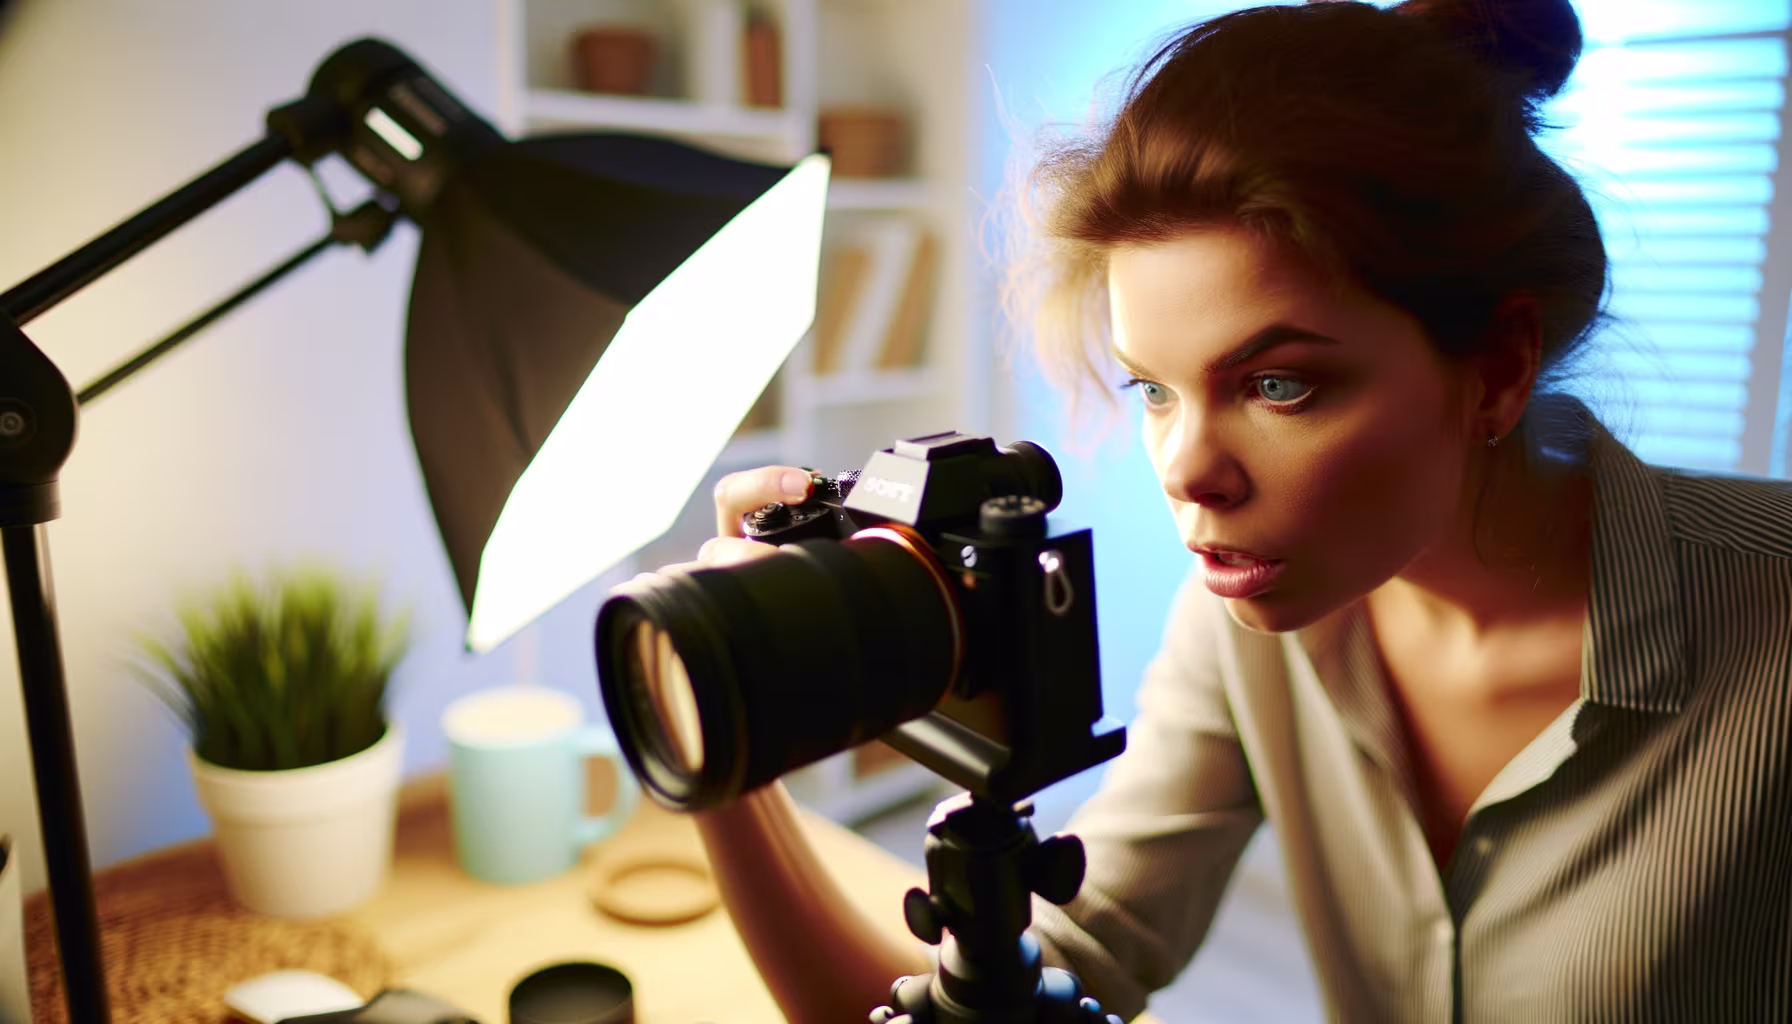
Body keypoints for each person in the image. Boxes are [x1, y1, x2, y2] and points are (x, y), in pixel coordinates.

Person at [640, 0, 1792, 1020]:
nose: (1188, 471)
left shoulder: (1772, 620)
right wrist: (724, 740)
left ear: (1494, 367)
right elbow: (1046, 973)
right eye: (1151, 388)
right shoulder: (1244, 621)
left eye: (1277, 383)